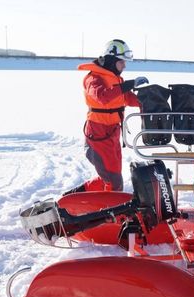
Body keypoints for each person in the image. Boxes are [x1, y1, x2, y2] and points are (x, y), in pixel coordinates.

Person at [63, 39, 148, 195]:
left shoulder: (115, 79)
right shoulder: (93, 79)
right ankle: (110, 212)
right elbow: (102, 97)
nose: (125, 66)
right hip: (98, 134)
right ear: (111, 60)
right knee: (114, 180)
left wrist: (148, 101)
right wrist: (129, 84)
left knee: (111, 177)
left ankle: (78, 195)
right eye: (122, 62)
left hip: (113, 132)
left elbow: (127, 98)